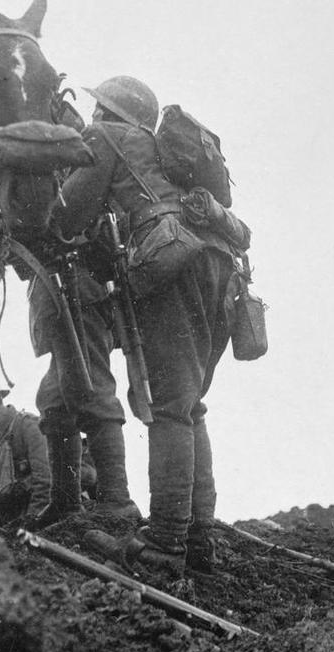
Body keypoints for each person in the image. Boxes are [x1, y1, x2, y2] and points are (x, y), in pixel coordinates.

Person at [55, 75, 241, 577]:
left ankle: (164, 544)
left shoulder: (107, 138)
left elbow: (67, 216)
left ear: (110, 112)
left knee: (168, 409)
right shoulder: (167, 157)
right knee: (189, 406)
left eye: (98, 110)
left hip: (174, 263)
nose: (91, 119)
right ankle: (198, 540)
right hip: (223, 269)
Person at [27, 256, 142, 530]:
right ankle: (65, 502)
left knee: (91, 392)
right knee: (54, 400)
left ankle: (117, 500)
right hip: (60, 290)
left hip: (78, 290)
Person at [0, 380, 52, 526]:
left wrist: (31, 522)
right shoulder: (1, 437)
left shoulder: (28, 426)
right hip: (13, 517)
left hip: (37, 517)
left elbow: (45, 481)